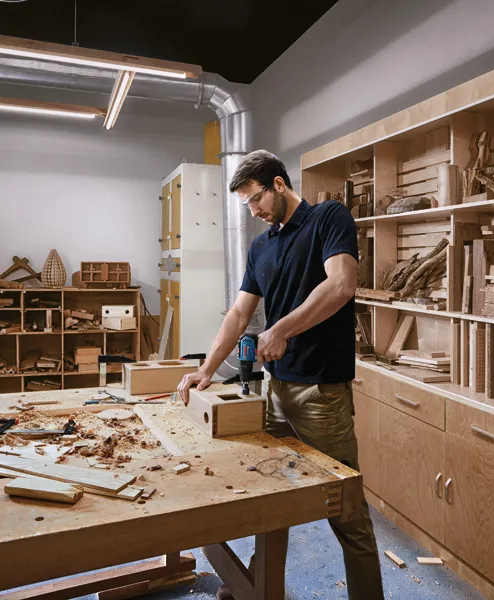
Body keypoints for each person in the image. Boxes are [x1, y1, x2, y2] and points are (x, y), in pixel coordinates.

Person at [177, 149, 384, 600]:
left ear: (279, 184)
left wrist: (281, 328)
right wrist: (206, 370)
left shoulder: (328, 219)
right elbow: (238, 312)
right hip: (276, 391)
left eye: (255, 199)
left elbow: (341, 284)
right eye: (247, 205)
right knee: (270, 499)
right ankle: (258, 587)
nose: (253, 211)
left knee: (346, 512)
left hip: (321, 395)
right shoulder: (262, 245)